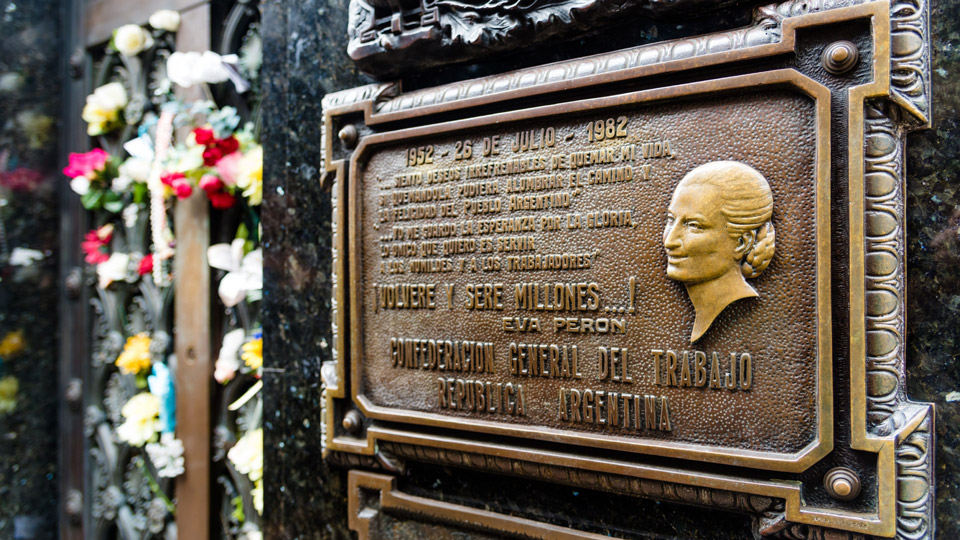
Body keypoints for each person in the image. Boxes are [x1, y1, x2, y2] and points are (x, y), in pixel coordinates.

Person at [663, 161, 776, 342]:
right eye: (671, 219)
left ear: (742, 243)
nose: (669, 241)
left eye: (693, 226)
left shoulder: (744, 318)